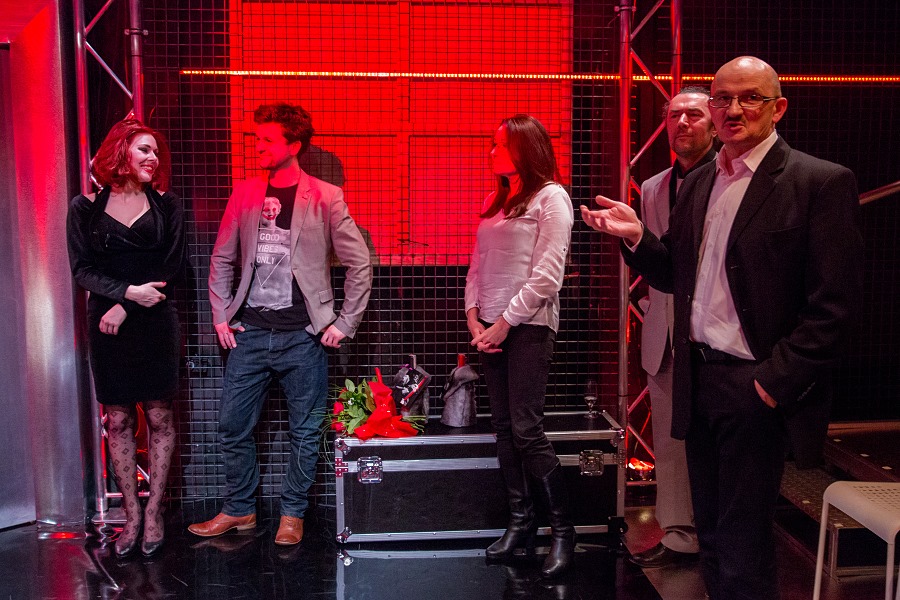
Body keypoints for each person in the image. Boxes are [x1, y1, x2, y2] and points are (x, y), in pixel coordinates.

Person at [581, 57, 862, 599]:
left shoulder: (819, 182)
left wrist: (772, 383)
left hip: (754, 385)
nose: (733, 109)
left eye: (749, 97)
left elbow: (834, 306)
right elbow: (675, 273)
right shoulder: (702, 180)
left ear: (777, 108)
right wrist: (637, 236)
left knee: (743, 544)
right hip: (699, 379)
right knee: (709, 535)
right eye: (723, 98)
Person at [189, 103, 372, 546]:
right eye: (258, 138)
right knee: (232, 426)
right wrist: (220, 314)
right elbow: (222, 258)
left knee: (305, 431)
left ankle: (293, 513)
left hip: (304, 337)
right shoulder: (245, 193)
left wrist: (345, 322)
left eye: (267, 140)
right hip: (249, 334)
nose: (258, 147)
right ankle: (240, 509)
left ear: (294, 145)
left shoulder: (326, 197)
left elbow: (359, 263)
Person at [67, 119, 185, 558]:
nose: (153, 158)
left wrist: (127, 304)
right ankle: (131, 516)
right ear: (120, 153)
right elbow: (82, 270)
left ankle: (154, 513)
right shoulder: (85, 207)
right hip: (107, 326)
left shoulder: (167, 205)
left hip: (154, 321)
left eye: (155, 151)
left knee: (159, 417)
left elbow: (171, 267)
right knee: (117, 420)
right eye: (144, 150)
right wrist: (123, 294)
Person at [465, 115, 575, 578]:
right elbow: (477, 264)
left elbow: (548, 276)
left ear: (525, 148)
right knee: (505, 429)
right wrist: (474, 316)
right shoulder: (495, 200)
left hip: (527, 327)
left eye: (500, 144)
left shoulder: (552, 197)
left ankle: (562, 531)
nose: (491, 152)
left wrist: (505, 323)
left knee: (527, 429)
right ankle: (520, 523)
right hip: (490, 327)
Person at [629, 86, 715, 569]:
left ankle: (716, 535)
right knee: (667, 441)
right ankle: (680, 533)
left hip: (713, 335)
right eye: (675, 114)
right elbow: (656, 260)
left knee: (714, 441)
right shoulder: (652, 187)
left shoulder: (729, 180)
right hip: (663, 332)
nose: (683, 122)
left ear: (714, 123)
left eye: (694, 114)